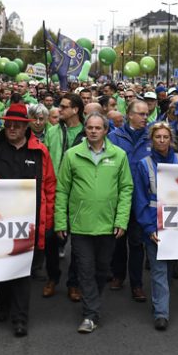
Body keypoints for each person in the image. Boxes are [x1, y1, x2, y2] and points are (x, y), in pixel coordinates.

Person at [55, 112, 132, 334]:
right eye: (90, 127)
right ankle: (90, 314)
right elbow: (62, 191)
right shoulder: (72, 155)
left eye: (98, 128)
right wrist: (61, 222)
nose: (93, 131)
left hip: (108, 225)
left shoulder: (119, 155)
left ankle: (92, 304)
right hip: (81, 225)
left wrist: (121, 220)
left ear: (106, 130)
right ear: (85, 130)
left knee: (102, 270)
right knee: (85, 270)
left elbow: (126, 189)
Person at [0, 103, 56, 337]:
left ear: (26, 126)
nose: (12, 128)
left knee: (22, 271)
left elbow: (49, 187)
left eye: (17, 124)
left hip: (29, 223)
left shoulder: (39, 151)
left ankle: (20, 319)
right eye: (8, 124)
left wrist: (47, 222)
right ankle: (5, 303)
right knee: (3, 268)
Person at [131, 122, 178, 330]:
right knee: (158, 269)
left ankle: (162, 300)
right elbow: (141, 199)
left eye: (165, 137)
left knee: (170, 267)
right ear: (151, 140)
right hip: (155, 226)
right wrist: (148, 228)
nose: (162, 140)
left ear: (170, 139)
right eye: (158, 137)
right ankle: (161, 312)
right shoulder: (144, 165)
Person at [107, 99, 151, 300]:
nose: (145, 117)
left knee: (136, 243)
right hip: (118, 198)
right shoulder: (114, 137)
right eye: (141, 114)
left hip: (141, 199)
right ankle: (117, 275)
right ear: (130, 115)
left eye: (146, 113)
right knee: (117, 240)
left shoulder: (152, 136)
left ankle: (137, 284)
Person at [42, 92, 85, 301]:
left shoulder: (87, 133)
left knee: (78, 240)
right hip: (55, 192)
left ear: (75, 110)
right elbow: (46, 158)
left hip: (78, 193)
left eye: (64, 107)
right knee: (51, 237)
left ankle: (74, 283)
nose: (59, 110)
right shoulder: (52, 131)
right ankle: (52, 276)